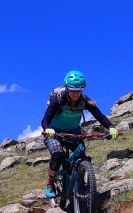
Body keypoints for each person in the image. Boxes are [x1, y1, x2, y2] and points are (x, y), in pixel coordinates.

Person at [41, 70, 119, 198]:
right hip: (54, 132)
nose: (75, 93)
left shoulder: (84, 101)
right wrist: (48, 129)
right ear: (67, 88)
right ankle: (50, 183)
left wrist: (111, 127)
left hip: (73, 131)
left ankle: (80, 181)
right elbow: (45, 120)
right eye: (72, 90)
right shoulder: (59, 99)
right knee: (57, 154)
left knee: (81, 153)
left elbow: (99, 116)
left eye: (79, 90)